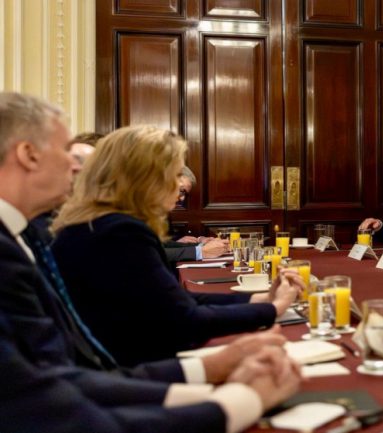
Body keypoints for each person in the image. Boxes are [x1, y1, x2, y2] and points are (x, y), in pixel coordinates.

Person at [0, 91, 300, 432]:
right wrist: (241, 400)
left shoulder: (32, 233)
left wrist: (212, 376)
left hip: (113, 383)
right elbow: (46, 407)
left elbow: (67, 379)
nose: (75, 165)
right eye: (65, 150)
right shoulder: (110, 231)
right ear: (28, 154)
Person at [51, 125, 302, 366]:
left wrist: (260, 298)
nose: (178, 189)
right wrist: (273, 309)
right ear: (147, 180)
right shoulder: (119, 232)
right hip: (134, 369)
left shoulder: (100, 223)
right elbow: (184, 320)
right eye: (174, 175)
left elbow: (174, 300)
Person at [164, 166, 229, 264]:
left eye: (185, 194)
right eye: (181, 190)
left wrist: (201, 245)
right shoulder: (141, 211)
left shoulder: (158, 211)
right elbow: (149, 254)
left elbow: (162, 245)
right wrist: (200, 252)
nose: (182, 199)